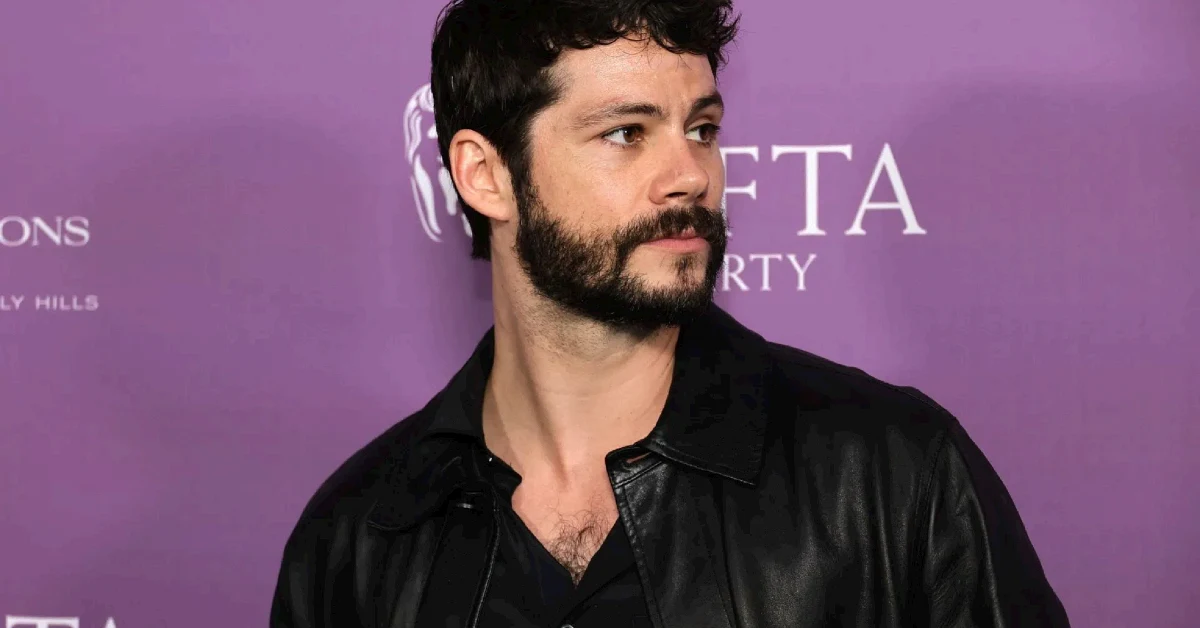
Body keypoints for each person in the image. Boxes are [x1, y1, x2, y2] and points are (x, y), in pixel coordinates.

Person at [270, 0, 1070, 625]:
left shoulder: (892, 478)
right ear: (485, 175)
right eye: (627, 133)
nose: (689, 175)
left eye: (702, 128)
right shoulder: (360, 536)